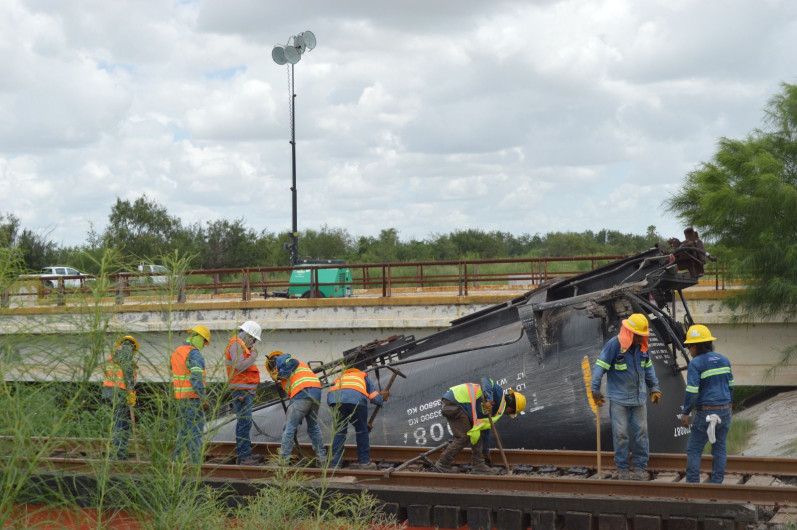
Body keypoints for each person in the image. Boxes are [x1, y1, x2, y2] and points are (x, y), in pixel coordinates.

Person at [591, 313, 661, 481]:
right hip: (619, 400)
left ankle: (640, 468)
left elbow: (648, 369)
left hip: (639, 399)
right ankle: (622, 469)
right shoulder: (614, 346)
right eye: (638, 336)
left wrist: (655, 388)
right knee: (621, 434)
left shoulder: (642, 348)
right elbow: (600, 367)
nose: (640, 340)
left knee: (641, 433)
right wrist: (595, 390)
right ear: (630, 333)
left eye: (642, 336)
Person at [433, 378, 526, 475]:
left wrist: (485, 451)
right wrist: (489, 400)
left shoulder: (498, 410)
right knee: (463, 437)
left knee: (478, 433)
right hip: (455, 402)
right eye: (510, 413)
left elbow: (484, 430)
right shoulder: (498, 394)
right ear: (511, 408)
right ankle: (442, 464)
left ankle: (478, 466)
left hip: (458, 405)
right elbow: (486, 380)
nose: (507, 414)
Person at [680, 324, 734, 484]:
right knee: (719, 448)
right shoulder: (724, 360)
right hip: (724, 411)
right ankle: (717, 483)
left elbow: (692, 392)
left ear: (696, 346)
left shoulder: (696, 364)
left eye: (690, 346)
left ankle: (693, 484)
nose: (689, 350)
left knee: (694, 449)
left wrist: (686, 412)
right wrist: (728, 406)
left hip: (706, 413)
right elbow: (731, 386)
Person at [266, 350, 328, 465]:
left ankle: (283, 461)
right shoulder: (300, 369)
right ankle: (322, 459)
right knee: (313, 427)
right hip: (315, 391)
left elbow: (292, 362)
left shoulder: (282, 358)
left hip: (302, 392)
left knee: (289, 428)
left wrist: (280, 374)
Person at [327, 368, 388, 470]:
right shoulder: (363, 376)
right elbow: (374, 397)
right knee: (361, 431)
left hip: (334, 401)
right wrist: (382, 399)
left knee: (339, 432)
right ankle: (364, 463)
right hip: (356, 401)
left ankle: (335, 464)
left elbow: (332, 394)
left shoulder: (341, 378)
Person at [171, 325, 211, 464]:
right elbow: (196, 378)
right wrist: (203, 398)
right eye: (204, 342)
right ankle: (195, 463)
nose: (204, 345)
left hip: (181, 398)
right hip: (194, 399)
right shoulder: (194, 353)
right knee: (195, 432)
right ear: (199, 338)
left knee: (183, 432)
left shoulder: (177, 352)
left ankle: (177, 460)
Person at [225, 321, 262, 465]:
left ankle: (246, 454)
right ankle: (244, 456)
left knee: (245, 423)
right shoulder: (236, 345)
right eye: (253, 339)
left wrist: (252, 390)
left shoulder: (241, 346)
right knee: (244, 424)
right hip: (241, 393)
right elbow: (239, 366)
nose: (253, 343)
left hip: (245, 392)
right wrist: (253, 356)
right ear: (248, 334)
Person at [103, 335, 138, 460]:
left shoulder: (113, 356)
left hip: (108, 392)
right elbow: (128, 372)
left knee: (119, 423)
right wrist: (131, 391)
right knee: (120, 424)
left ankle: (119, 453)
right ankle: (117, 455)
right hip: (120, 392)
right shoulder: (125, 351)